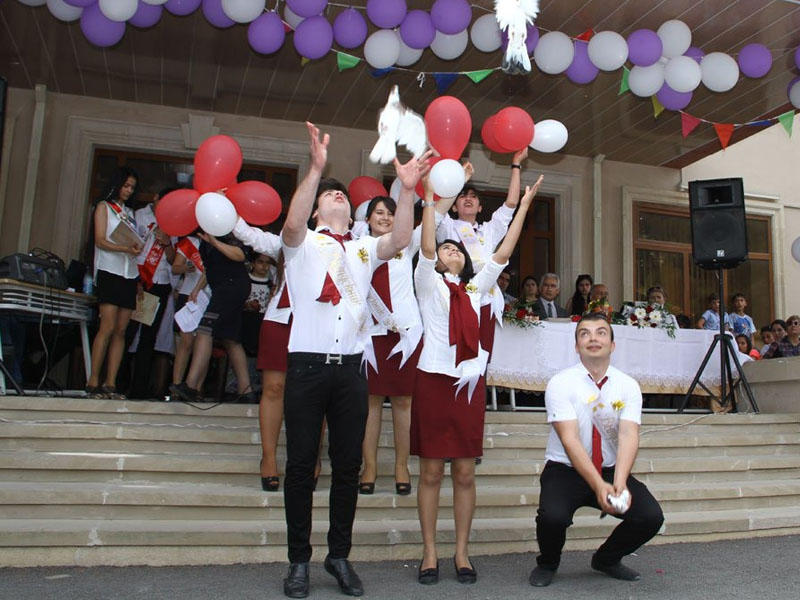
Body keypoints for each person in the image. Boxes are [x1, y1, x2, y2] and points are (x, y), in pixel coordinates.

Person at [279, 122, 429, 599]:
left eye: (343, 194)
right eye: (330, 195)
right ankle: (298, 560)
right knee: (302, 465)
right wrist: (316, 170)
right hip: (305, 366)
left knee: (347, 466)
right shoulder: (301, 245)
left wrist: (407, 192)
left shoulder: (364, 247)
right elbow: (289, 223)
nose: (338, 197)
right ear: (318, 206)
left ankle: (338, 555)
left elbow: (400, 240)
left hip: (349, 369)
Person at [413, 172, 543, 586]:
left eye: (456, 249)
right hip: (433, 382)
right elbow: (428, 245)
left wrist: (522, 207)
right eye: (445, 247)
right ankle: (430, 552)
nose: (449, 250)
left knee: (465, 474)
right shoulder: (427, 283)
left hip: (467, 386)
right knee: (432, 473)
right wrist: (432, 200)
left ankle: (462, 553)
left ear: (465, 261)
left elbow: (504, 250)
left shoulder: (475, 291)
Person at [529, 312, 664, 588]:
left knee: (650, 517)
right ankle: (548, 563)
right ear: (576, 346)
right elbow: (569, 439)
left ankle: (606, 559)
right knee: (552, 517)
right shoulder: (560, 383)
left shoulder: (628, 385)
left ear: (612, 345)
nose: (593, 338)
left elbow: (628, 434)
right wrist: (597, 485)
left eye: (601, 332)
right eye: (585, 333)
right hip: (566, 469)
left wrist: (619, 482)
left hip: (611, 468)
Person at [358, 195, 423, 497]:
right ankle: (368, 466)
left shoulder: (405, 244)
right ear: (368, 218)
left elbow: (437, 214)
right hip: (368, 334)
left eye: (390, 213)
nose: (384, 217)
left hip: (403, 335)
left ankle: (401, 466)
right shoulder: (356, 246)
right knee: (370, 403)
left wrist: (448, 185)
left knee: (403, 402)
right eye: (379, 213)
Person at [436, 149, 528, 354]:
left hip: (486, 299)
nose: (468, 199)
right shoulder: (447, 226)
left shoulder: (489, 230)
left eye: (473, 197)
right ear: (453, 206)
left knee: (483, 355)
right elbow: (437, 209)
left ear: (479, 207)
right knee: (456, 354)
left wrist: (515, 164)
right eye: (462, 196)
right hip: (456, 297)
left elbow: (511, 203)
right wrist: (459, 179)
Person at [169, 232, 255, 403]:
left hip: (232, 286)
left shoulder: (231, 233)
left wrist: (214, 242)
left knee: (205, 330)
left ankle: (191, 385)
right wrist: (197, 289)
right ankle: (246, 391)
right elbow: (209, 269)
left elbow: (239, 255)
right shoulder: (204, 240)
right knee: (231, 339)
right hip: (220, 287)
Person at [86, 167, 143, 399]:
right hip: (109, 270)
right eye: (126, 185)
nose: (129, 190)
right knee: (106, 327)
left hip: (129, 273)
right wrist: (124, 248)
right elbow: (100, 240)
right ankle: (93, 379)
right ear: (117, 184)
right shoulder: (104, 207)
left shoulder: (130, 212)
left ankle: (111, 382)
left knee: (121, 330)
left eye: (132, 187)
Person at [127, 187, 177, 399]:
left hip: (160, 282)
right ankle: (118, 383)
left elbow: (174, 260)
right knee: (127, 333)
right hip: (137, 280)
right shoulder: (138, 216)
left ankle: (139, 389)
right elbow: (128, 248)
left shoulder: (175, 222)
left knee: (148, 337)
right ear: (156, 197)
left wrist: (166, 243)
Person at [170, 233, 206, 389]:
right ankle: (176, 385)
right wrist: (187, 267)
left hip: (209, 297)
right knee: (186, 342)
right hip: (188, 294)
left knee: (203, 344)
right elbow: (175, 268)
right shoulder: (190, 242)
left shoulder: (219, 244)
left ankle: (196, 388)